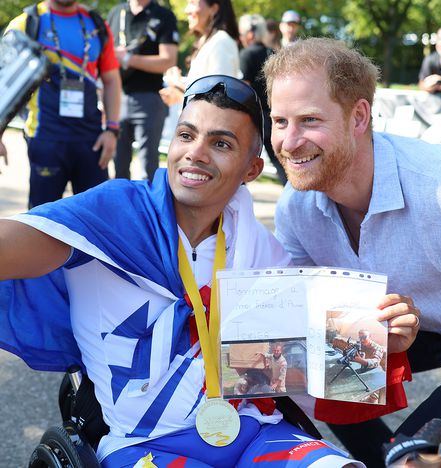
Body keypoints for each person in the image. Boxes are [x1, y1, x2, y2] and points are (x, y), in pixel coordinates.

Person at [0, 75, 379, 467]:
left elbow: (313, 369)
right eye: (186, 135)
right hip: (144, 445)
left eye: (220, 144)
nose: (195, 153)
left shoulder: (260, 251)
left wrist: (377, 340)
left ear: (252, 169)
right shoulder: (111, 215)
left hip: (257, 434)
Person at [263, 37, 441, 465]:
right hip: (406, 327)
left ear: (359, 116)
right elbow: (307, 327)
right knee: (307, 364)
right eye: (280, 121)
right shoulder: (295, 207)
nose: (289, 141)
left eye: (309, 119)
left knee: (417, 454)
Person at [3, 0, 121, 208]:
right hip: (46, 139)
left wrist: (112, 130)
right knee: (41, 227)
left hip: (91, 143)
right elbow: (3, 83)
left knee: (96, 224)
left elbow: (111, 80)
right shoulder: (27, 23)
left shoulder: (97, 25)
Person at [107, 0, 179, 180]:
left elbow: (168, 60)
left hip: (149, 98)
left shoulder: (163, 15)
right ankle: (121, 207)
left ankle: (148, 208)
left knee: (148, 167)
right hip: (118, 96)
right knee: (119, 167)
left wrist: (129, 59)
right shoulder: (116, 13)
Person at [160, 0, 240, 107]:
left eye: (193, 3)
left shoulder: (221, 41)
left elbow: (220, 99)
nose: (186, 10)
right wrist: (178, 93)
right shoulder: (208, 42)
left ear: (214, 8)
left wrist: (177, 84)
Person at [238, 14, 287, 185]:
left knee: (243, 160)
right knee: (282, 161)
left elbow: (243, 89)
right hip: (278, 115)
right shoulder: (273, 53)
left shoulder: (246, 54)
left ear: (250, 34)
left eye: (242, 34)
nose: (241, 38)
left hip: (256, 117)